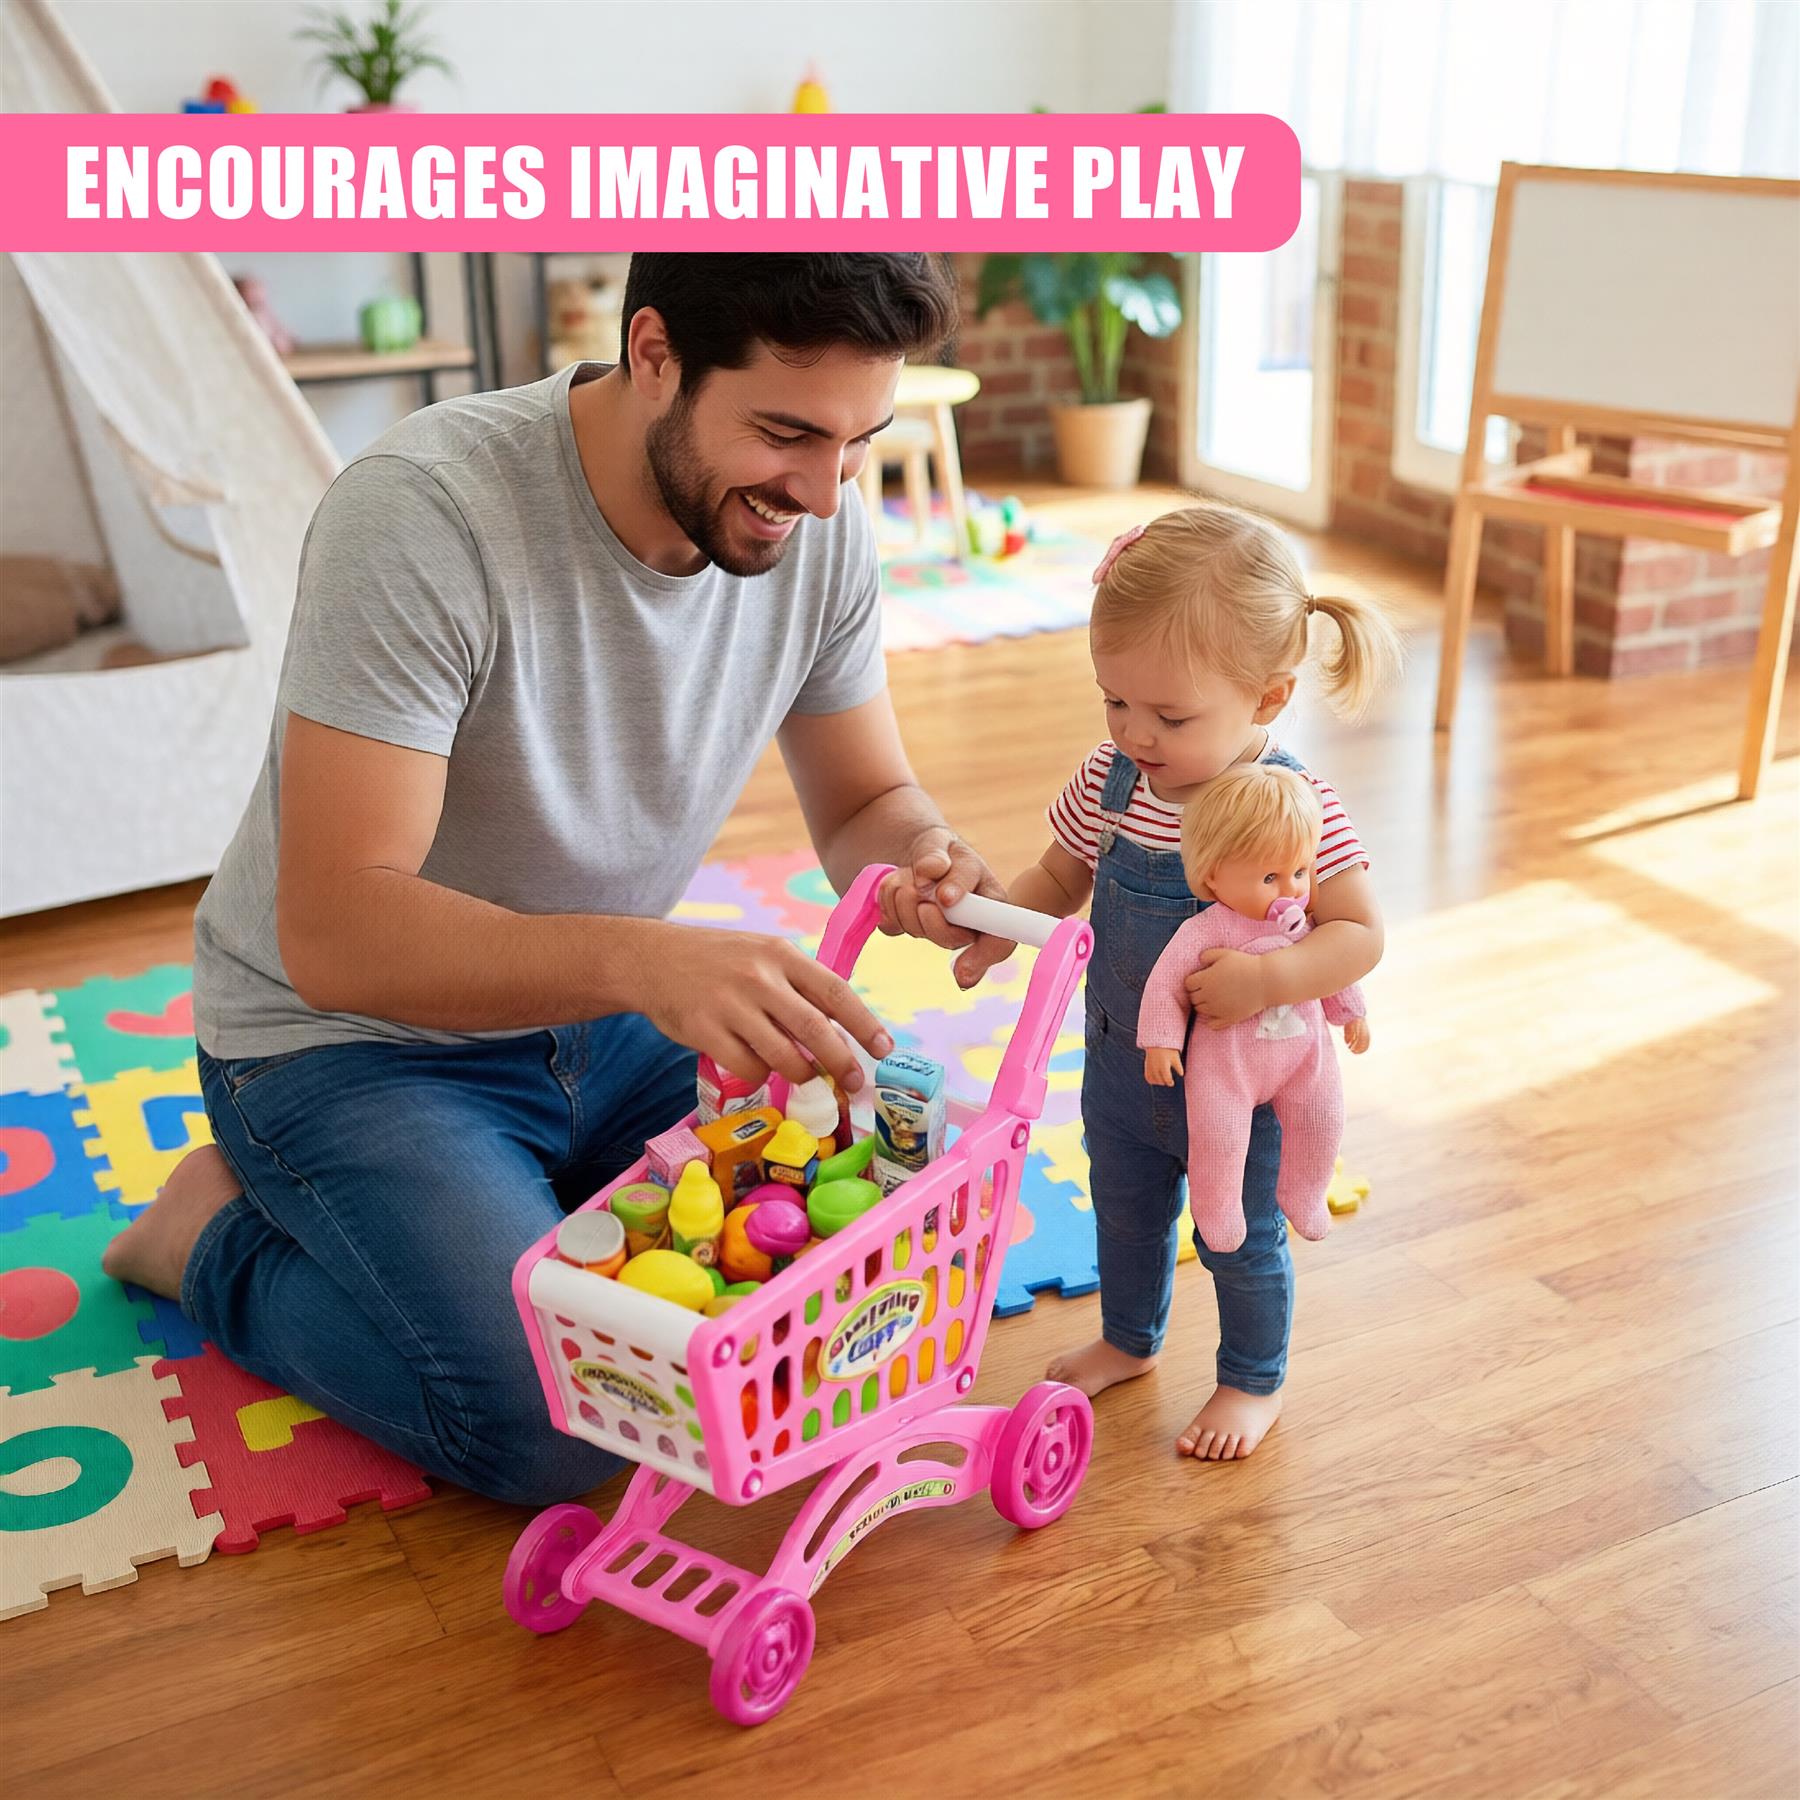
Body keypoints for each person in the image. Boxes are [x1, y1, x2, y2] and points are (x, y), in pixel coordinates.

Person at [105, 253, 1007, 1506]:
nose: (820, 490)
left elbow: (863, 799)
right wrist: (646, 959)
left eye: (858, 441)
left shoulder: (816, 517)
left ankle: (526, 1204)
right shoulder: (424, 512)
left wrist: (921, 854)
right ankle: (212, 1238)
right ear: (653, 356)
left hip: (604, 1015)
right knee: (561, 1422)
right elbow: (337, 927)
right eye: (787, 433)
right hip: (350, 1042)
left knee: (886, 1218)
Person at [953, 504, 1400, 1461]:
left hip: (1241, 1079)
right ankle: (1129, 1339)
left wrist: (1273, 976)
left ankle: (1251, 1380)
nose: (1135, 732)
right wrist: (999, 930)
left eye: (1170, 715)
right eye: (1115, 700)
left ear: (1268, 699)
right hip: (1122, 1066)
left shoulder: (1295, 806)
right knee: (1123, 1211)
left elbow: (1359, 935)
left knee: (1238, 1239)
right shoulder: (1112, 781)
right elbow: (1058, 880)